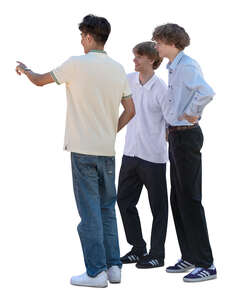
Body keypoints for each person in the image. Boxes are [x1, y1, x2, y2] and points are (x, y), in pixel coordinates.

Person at [15, 14, 135, 288]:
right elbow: (130, 111)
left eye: (82, 35)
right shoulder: (118, 69)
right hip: (107, 151)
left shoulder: (76, 64)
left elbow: (40, 80)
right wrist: (109, 132)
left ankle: (95, 273)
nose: (81, 40)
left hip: (82, 151)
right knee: (107, 209)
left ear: (90, 37)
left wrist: (26, 70)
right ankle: (114, 267)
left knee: (89, 213)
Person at [152, 23, 217, 282]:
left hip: (187, 137)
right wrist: (171, 123)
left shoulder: (187, 66)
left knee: (190, 198)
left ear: (170, 41)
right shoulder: (173, 67)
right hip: (176, 136)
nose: (155, 46)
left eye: (157, 41)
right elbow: (175, 100)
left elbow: (206, 92)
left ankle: (207, 263)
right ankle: (189, 255)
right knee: (177, 199)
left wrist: (192, 113)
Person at [117, 41, 168, 269]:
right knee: (124, 201)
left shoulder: (162, 90)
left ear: (150, 59)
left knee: (158, 207)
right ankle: (138, 248)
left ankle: (157, 254)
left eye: (138, 56)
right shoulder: (127, 80)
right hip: (130, 153)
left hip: (153, 157)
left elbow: (170, 124)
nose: (134, 60)